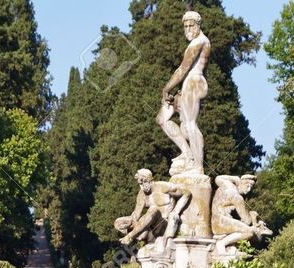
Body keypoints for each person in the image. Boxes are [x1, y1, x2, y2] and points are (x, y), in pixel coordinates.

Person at [156, 11, 211, 175]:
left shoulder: (199, 42)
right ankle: (187, 153)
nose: (187, 29)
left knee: (189, 124)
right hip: (186, 86)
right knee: (162, 119)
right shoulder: (195, 42)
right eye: (185, 26)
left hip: (194, 83)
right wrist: (177, 90)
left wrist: (166, 88)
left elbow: (183, 69)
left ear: (198, 25)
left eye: (191, 25)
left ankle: (198, 165)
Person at [115, 169, 190, 246]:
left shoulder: (163, 187)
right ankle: (136, 235)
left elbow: (186, 193)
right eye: (140, 184)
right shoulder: (142, 194)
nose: (142, 186)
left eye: (143, 182)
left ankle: (130, 236)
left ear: (149, 179)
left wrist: (176, 211)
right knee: (118, 222)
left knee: (153, 209)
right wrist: (125, 222)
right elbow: (136, 215)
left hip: (164, 223)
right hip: (149, 227)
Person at [211, 175, 273, 253]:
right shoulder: (237, 197)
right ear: (241, 183)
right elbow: (247, 221)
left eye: (251, 187)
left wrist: (234, 178)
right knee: (249, 232)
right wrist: (253, 216)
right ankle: (222, 244)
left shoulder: (228, 184)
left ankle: (231, 246)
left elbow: (218, 179)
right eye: (247, 186)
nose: (249, 189)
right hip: (221, 223)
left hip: (216, 220)